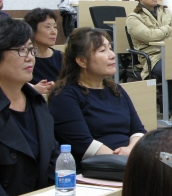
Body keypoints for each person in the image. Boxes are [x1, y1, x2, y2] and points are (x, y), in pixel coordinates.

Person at [0, 18, 58, 196]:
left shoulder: (37, 102)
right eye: (20, 50)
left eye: (31, 49)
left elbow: (56, 158)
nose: (29, 57)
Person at [48, 27, 146, 164]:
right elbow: (83, 144)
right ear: (82, 61)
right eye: (102, 50)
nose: (112, 55)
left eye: (110, 48)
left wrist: (131, 150)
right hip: (96, 167)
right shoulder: (64, 95)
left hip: (129, 160)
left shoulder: (116, 89)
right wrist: (121, 159)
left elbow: (138, 130)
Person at [126, 0, 172, 125]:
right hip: (152, 57)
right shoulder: (133, 17)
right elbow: (149, 36)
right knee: (171, 68)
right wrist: (167, 29)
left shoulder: (165, 10)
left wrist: (160, 33)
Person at [23, 8, 63, 95]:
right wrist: (32, 88)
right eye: (47, 27)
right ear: (33, 30)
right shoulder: (23, 57)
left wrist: (56, 86)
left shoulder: (60, 56)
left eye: (55, 27)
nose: (53, 32)